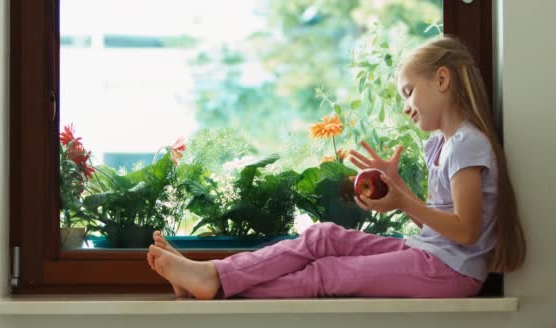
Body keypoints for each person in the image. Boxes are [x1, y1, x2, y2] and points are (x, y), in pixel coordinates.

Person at [146, 36, 526, 299]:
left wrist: (404, 203)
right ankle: (212, 276)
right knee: (323, 237)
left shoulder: (468, 144)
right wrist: (399, 189)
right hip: (432, 257)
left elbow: (465, 230)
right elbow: (441, 225)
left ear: (442, 79)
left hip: (450, 273)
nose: (405, 105)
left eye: (409, 91)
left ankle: (215, 283)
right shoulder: (442, 144)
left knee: (327, 274)